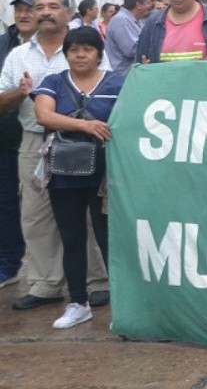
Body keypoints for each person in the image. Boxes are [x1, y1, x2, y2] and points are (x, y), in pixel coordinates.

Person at [0, 0, 110, 311]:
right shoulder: (19, 55)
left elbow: (110, 83)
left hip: (86, 142)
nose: (45, 12)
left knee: (89, 217)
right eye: (39, 7)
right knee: (35, 215)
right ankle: (45, 284)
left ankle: (97, 283)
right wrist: (19, 94)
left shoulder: (86, 44)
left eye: (52, 6)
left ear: (67, 12)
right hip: (35, 141)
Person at [31, 27, 124, 328]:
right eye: (74, 50)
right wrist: (85, 126)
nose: (81, 55)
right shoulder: (54, 82)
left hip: (105, 175)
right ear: (67, 54)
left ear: (99, 53)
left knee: (109, 239)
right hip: (64, 174)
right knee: (72, 239)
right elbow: (43, 115)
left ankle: (123, 305)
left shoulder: (116, 82)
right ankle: (78, 302)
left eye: (87, 49)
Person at [0, 0, 37, 289]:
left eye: (30, 9)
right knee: (6, 202)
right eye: (19, 10)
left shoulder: (63, 46)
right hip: (6, 136)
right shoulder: (5, 46)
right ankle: (10, 263)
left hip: (43, 137)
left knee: (40, 207)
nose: (23, 15)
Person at [105, 0, 156, 75]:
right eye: (148, 2)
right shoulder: (121, 21)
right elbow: (132, 50)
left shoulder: (136, 20)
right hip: (122, 76)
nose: (151, 6)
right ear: (138, 5)